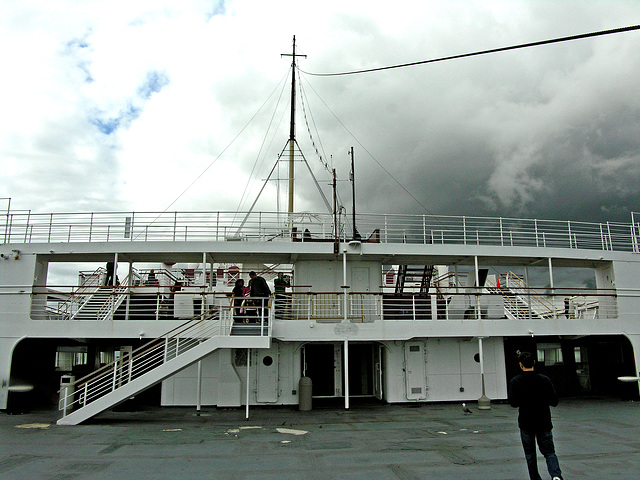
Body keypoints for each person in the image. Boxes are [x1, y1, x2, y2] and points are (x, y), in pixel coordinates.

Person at [508, 351, 563, 480]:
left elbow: (514, 403)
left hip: (526, 422)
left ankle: (535, 478)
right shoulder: (545, 380)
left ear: (521, 365)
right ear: (534, 362)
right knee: (549, 452)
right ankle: (556, 476)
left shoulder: (515, 381)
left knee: (530, 454)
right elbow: (554, 401)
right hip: (544, 421)